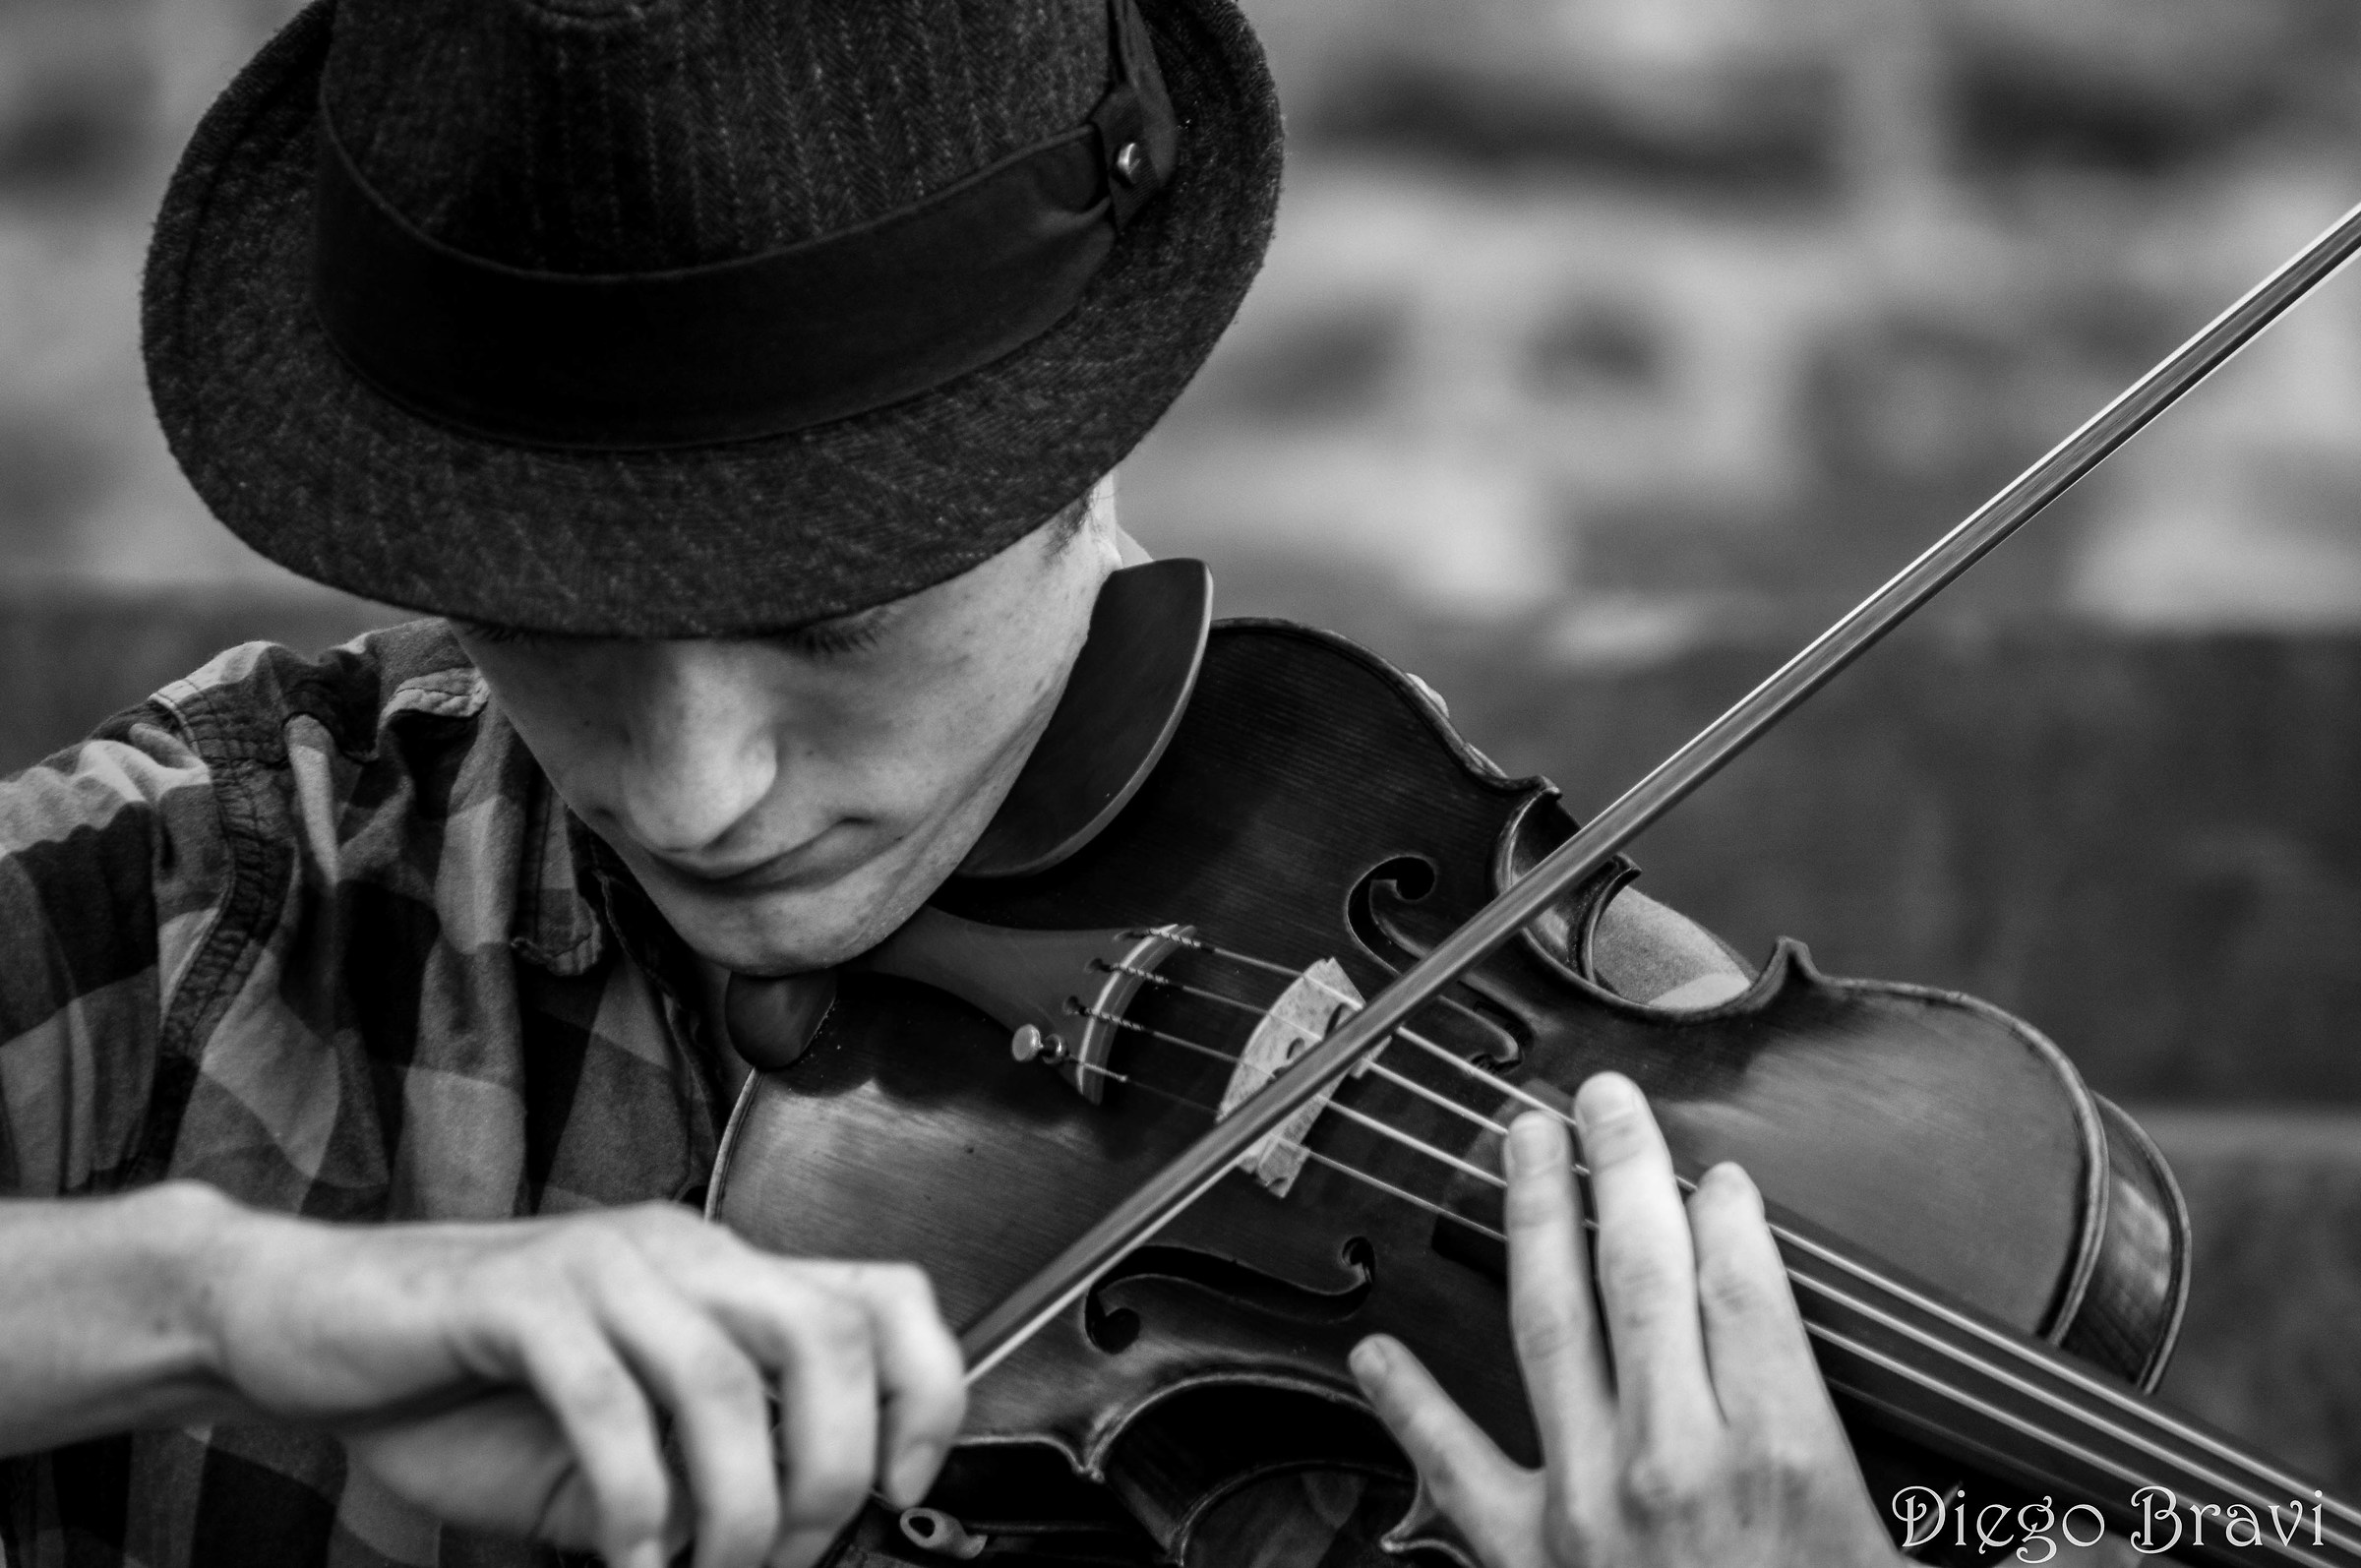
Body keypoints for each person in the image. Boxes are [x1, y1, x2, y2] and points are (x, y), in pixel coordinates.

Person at [0, 0, 1906, 1565]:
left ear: (1085, 426)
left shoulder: (1579, 1080)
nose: (696, 792)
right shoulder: (214, 884)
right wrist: (204, 1300)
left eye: (830, 621)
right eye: (554, 616)